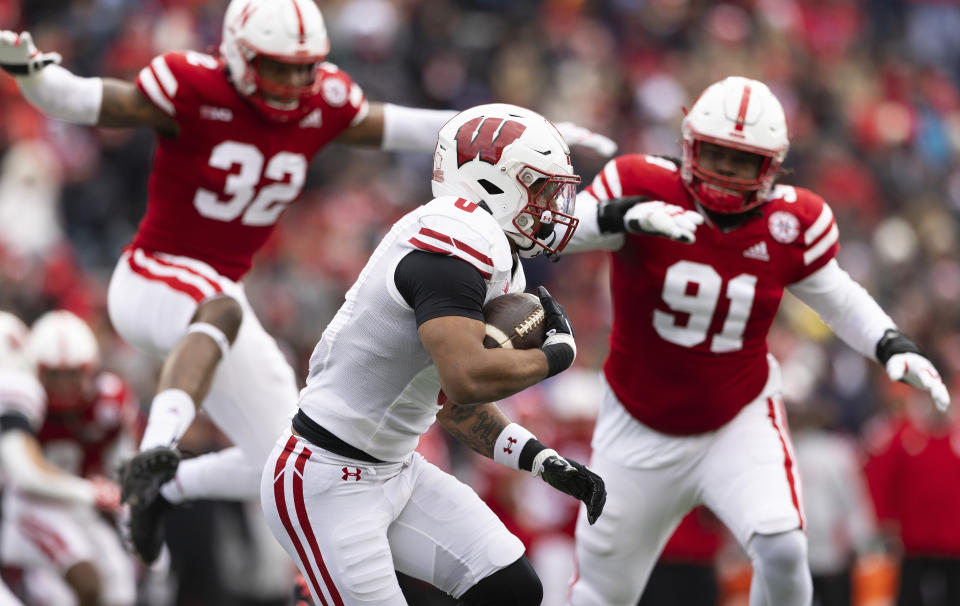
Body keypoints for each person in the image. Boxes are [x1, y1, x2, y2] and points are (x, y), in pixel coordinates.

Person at [0, 0, 615, 564]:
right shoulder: (194, 84)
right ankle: (157, 448)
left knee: (283, 455)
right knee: (219, 306)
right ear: (238, 55)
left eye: (305, 69)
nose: (295, 85)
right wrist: (34, 77)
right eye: (278, 68)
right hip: (149, 276)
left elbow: (405, 125)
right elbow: (89, 101)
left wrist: (520, 134)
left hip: (219, 298)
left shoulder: (319, 101)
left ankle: (164, 484)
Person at [557, 76, 950, 606]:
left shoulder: (792, 221)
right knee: (601, 593)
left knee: (784, 547)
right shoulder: (640, 183)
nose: (725, 172)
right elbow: (554, 230)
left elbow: (836, 294)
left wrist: (891, 344)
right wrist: (618, 215)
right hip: (637, 423)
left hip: (736, 419)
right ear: (690, 146)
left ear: (772, 167)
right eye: (716, 155)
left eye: (743, 161)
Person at [261, 103, 605, 606]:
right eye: (541, 188)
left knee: (509, 589)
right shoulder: (451, 242)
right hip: (326, 479)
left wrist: (542, 461)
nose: (552, 205)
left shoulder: (494, 255)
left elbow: (453, 406)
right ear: (491, 183)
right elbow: (467, 377)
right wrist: (556, 357)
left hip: (397, 470)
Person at [0, 310, 134, 606]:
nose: (63, 385)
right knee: (75, 587)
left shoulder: (107, 403)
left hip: (81, 508)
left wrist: (121, 495)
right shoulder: (21, 398)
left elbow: (123, 465)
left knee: (121, 588)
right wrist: (96, 492)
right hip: (32, 505)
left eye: (72, 374)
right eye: (54, 375)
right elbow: (26, 473)